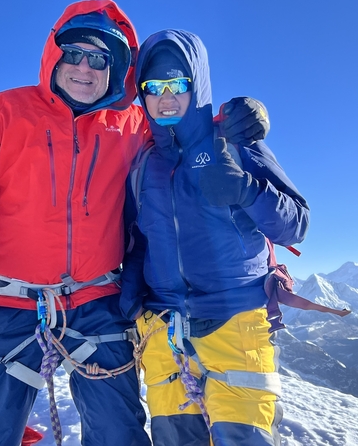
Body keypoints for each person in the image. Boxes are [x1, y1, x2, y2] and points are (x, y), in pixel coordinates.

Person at [0, 0, 271, 446]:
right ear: (55, 54)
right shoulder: (2, 113)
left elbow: (181, 130)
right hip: (11, 302)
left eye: (100, 58)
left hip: (99, 299)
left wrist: (232, 120)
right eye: (74, 53)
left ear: (117, 68)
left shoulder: (131, 124)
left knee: (119, 435)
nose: (85, 68)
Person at [120, 29, 309, 446]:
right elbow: (139, 238)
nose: (165, 97)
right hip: (164, 332)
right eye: (153, 87)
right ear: (142, 94)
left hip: (236, 324)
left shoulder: (235, 142)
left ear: (197, 85)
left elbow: (295, 224)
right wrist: (132, 288)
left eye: (177, 84)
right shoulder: (144, 162)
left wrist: (247, 190)